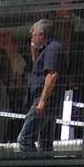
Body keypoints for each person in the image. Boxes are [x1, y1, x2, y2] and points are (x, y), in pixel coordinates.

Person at [18, 19, 68, 154]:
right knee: (45, 142)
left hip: (44, 101)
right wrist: (33, 49)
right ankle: (45, 165)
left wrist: (42, 100)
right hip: (47, 101)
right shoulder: (48, 49)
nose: (31, 37)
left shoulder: (53, 49)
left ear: (41, 34)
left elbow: (51, 75)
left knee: (24, 138)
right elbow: (38, 66)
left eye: (33, 34)